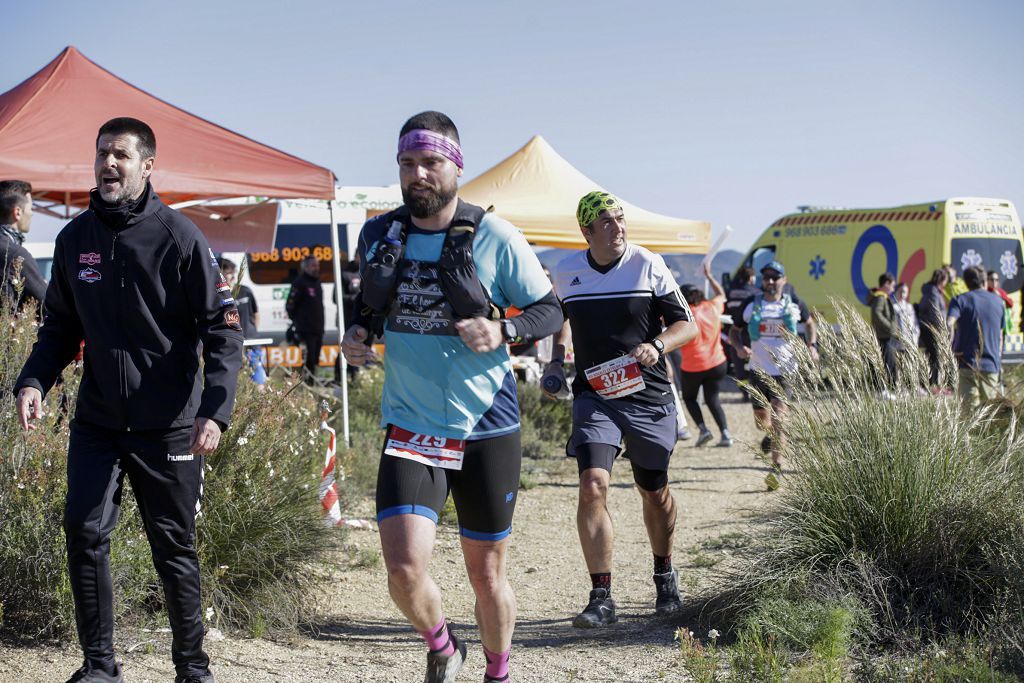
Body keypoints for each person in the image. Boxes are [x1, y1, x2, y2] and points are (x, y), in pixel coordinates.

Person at [14, 117, 243, 683]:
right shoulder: (75, 240)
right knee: (85, 531)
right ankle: (99, 667)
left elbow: (223, 329)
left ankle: (193, 668)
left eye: (120, 155)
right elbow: (59, 328)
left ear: (147, 165)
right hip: (97, 421)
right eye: (100, 154)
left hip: (168, 423)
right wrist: (33, 380)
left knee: (173, 546)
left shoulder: (179, 236)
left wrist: (214, 409)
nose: (107, 164)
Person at [340, 111, 562, 683]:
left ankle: (498, 672)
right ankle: (443, 646)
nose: (419, 174)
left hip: (486, 425)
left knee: (486, 575)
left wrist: (504, 330)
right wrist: (357, 335)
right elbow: (368, 307)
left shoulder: (494, 235)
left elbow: (549, 309)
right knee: (402, 571)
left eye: (431, 162)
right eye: (408, 163)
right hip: (412, 423)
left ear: (456, 166)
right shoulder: (379, 233)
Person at [543, 191, 698, 629]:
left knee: (654, 491)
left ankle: (664, 573)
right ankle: (601, 596)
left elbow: (687, 324)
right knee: (593, 485)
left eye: (620, 219)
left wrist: (657, 345)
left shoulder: (648, 263)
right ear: (586, 231)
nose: (618, 227)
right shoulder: (567, 270)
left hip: (648, 397)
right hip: (595, 396)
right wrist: (556, 359)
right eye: (607, 222)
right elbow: (561, 319)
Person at [729, 260, 818, 491]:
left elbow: (809, 324)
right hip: (759, 370)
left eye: (775, 277)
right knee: (762, 421)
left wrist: (812, 345)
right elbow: (734, 331)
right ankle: (768, 435)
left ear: (783, 280)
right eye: (766, 277)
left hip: (785, 370)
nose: (770, 281)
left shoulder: (794, 303)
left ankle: (776, 467)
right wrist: (739, 347)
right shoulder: (751, 304)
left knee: (780, 417)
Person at [679, 262, 732, 447]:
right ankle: (725, 434)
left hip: (693, 366)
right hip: (717, 363)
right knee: (713, 398)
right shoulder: (712, 307)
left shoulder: (682, 316)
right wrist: (709, 276)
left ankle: (703, 430)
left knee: (689, 398)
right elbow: (722, 295)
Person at [947, 265, 1005, 413]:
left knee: (969, 415)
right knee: (989, 414)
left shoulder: (960, 300)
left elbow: (948, 323)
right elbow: (1000, 336)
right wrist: (997, 360)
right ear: (984, 281)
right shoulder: (999, 302)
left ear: (966, 283)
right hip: (991, 365)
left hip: (967, 362)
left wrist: (950, 348)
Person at [0, 179, 47, 313]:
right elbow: (47, 303)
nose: (32, 213)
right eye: (31, 208)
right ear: (18, 212)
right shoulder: (14, 253)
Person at [219, 257, 266, 388]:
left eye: (233, 272)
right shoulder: (219, 295)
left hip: (251, 340)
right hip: (233, 343)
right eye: (228, 272)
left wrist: (253, 332)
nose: (233, 276)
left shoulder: (245, 291)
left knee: (257, 374)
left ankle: (261, 399)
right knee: (236, 378)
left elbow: (256, 314)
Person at [285, 254, 325, 383]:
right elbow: (290, 305)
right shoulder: (299, 282)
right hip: (305, 329)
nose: (316, 268)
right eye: (313, 265)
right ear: (306, 267)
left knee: (315, 359)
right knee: (309, 359)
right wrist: (298, 321)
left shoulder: (317, 281)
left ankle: (310, 384)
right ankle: (305, 385)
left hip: (318, 327)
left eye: (317, 265)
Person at [723, 266, 759, 394]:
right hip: (750, 332)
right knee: (756, 361)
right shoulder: (756, 293)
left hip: (735, 333)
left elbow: (726, 311)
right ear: (751, 278)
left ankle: (744, 392)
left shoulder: (731, 292)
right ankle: (757, 390)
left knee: (738, 365)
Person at [918, 268, 949, 388]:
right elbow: (935, 313)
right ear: (941, 280)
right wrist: (942, 328)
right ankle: (932, 383)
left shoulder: (932, 291)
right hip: (932, 329)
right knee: (935, 356)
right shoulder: (933, 293)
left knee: (933, 356)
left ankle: (931, 383)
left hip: (930, 328)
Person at [869, 272, 898, 382]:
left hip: (883, 335)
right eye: (892, 286)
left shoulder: (881, 297)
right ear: (886, 284)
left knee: (888, 362)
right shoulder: (880, 297)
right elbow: (877, 314)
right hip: (884, 335)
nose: (893, 289)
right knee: (888, 363)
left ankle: (887, 388)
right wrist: (890, 326)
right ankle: (887, 388)